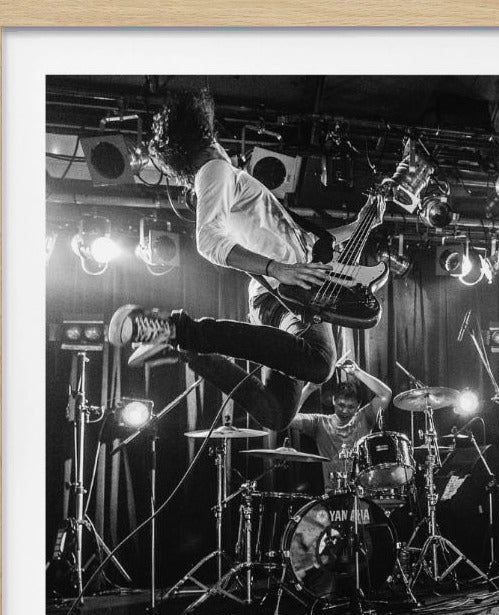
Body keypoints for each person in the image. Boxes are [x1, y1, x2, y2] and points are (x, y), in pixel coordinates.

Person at [107, 87, 382, 431]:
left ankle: (183, 343)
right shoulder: (215, 170)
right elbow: (208, 240)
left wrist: (362, 224)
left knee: (278, 415)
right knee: (319, 365)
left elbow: (312, 242)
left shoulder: (233, 176)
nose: (219, 141)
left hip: (302, 289)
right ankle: (180, 330)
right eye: (212, 135)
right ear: (204, 138)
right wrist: (278, 268)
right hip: (280, 293)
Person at [290, 359, 393, 493]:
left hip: (363, 495)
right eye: (341, 405)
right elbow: (289, 418)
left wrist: (357, 372)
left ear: (358, 405)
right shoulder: (319, 423)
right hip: (332, 496)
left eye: (350, 407)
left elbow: (386, 394)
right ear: (333, 400)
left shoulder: (365, 417)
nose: (344, 411)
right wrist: (309, 388)